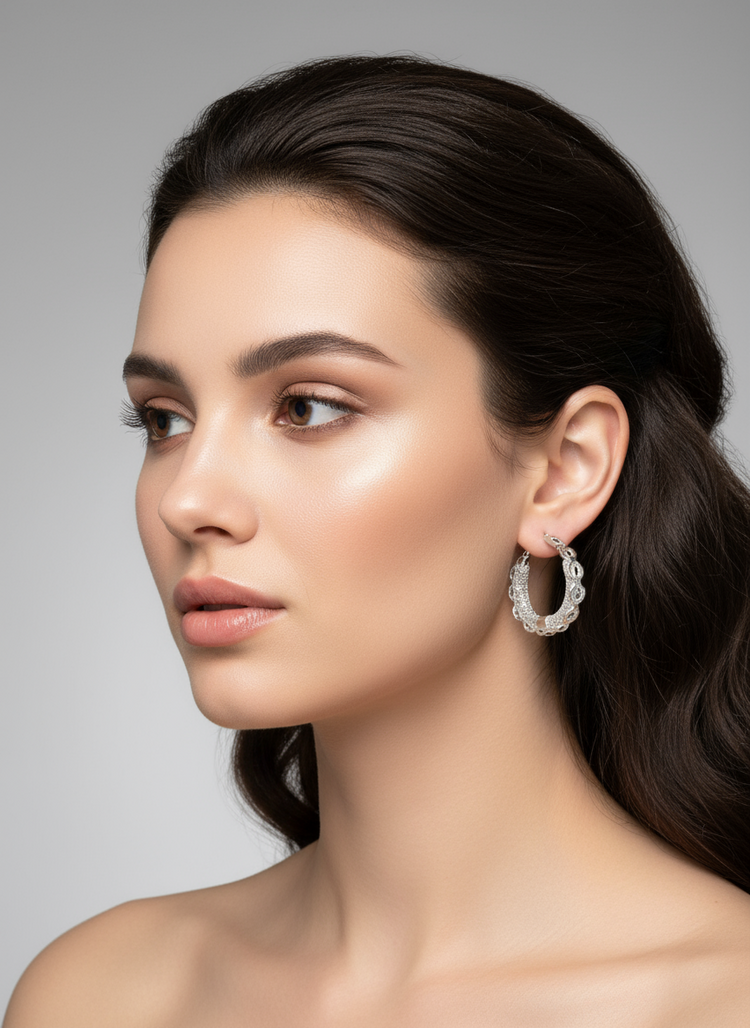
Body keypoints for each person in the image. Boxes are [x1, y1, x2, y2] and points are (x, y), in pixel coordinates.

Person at [5, 55, 750, 1027]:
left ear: (566, 467)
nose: (189, 497)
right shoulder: (101, 995)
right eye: (165, 417)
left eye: (308, 405)